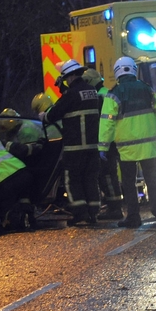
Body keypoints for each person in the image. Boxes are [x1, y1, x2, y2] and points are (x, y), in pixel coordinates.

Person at [99, 56, 156, 228]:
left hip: (127, 148)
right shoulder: (147, 89)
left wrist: (103, 146)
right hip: (149, 146)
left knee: (129, 182)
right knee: (152, 179)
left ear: (117, 72)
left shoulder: (114, 93)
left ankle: (133, 217)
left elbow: (107, 122)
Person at [39, 59, 102, 225]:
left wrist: (44, 117)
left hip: (74, 147)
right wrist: (63, 89)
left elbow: (54, 113)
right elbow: (74, 103)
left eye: (66, 78)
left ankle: (80, 214)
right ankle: (93, 213)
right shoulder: (92, 91)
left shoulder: (71, 94)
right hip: (93, 146)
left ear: (71, 76)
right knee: (90, 179)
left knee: (72, 180)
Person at [0, 122, 42, 230]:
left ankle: (14, 224)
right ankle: (30, 221)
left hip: (5, 181)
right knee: (25, 199)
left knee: (6, 207)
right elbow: (20, 149)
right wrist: (38, 146)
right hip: (22, 173)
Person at [83, 68, 124, 220]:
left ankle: (115, 208)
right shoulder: (109, 92)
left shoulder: (99, 97)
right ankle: (114, 205)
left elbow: (100, 123)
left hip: (105, 142)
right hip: (113, 140)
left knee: (106, 174)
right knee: (110, 173)